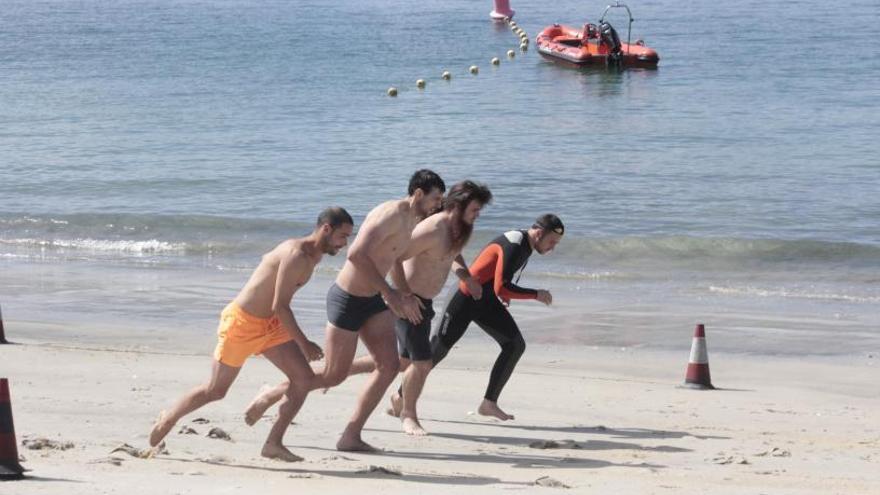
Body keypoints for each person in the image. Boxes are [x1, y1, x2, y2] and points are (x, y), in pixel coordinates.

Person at [245, 169, 446, 451]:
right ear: (418, 194)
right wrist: (390, 293)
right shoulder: (390, 214)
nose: (438, 205)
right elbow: (356, 254)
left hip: (374, 298)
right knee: (333, 375)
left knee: (389, 366)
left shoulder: (413, 219)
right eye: (436, 198)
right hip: (348, 299)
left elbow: (394, 259)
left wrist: (404, 294)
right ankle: (273, 393)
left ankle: (351, 435)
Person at [148, 207, 354, 462]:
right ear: (326, 229)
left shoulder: (314, 255)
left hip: (271, 325)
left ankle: (273, 443)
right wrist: (304, 343)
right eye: (342, 236)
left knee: (303, 379)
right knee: (216, 390)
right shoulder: (297, 254)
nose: (345, 244)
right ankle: (169, 417)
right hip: (243, 324)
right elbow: (281, 304)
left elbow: (271, 281)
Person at [430, 214, 564, 421]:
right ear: (538, 233)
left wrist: (502, 294)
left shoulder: (527, 245)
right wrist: (536, 294)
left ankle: (489, 403)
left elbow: (497, 278)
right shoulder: (515, 243)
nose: (553, 247)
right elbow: (502, 285)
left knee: (515, 345)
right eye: (552, 242)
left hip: (485, 301)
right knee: (437, 351)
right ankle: (401, 397)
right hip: (464, 298)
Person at [386, 180, 492, 435]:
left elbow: (450, 254)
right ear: (457, 205)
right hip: (409, 303)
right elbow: (393, 256)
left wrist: (466, 277)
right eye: (474, 210)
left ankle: (337, 374)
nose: (477, 215)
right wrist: (404, 296)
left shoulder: (460, 228)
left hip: (424, 303)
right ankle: (408, 416)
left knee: (402, 362)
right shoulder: (432, 228)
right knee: (422, 363)